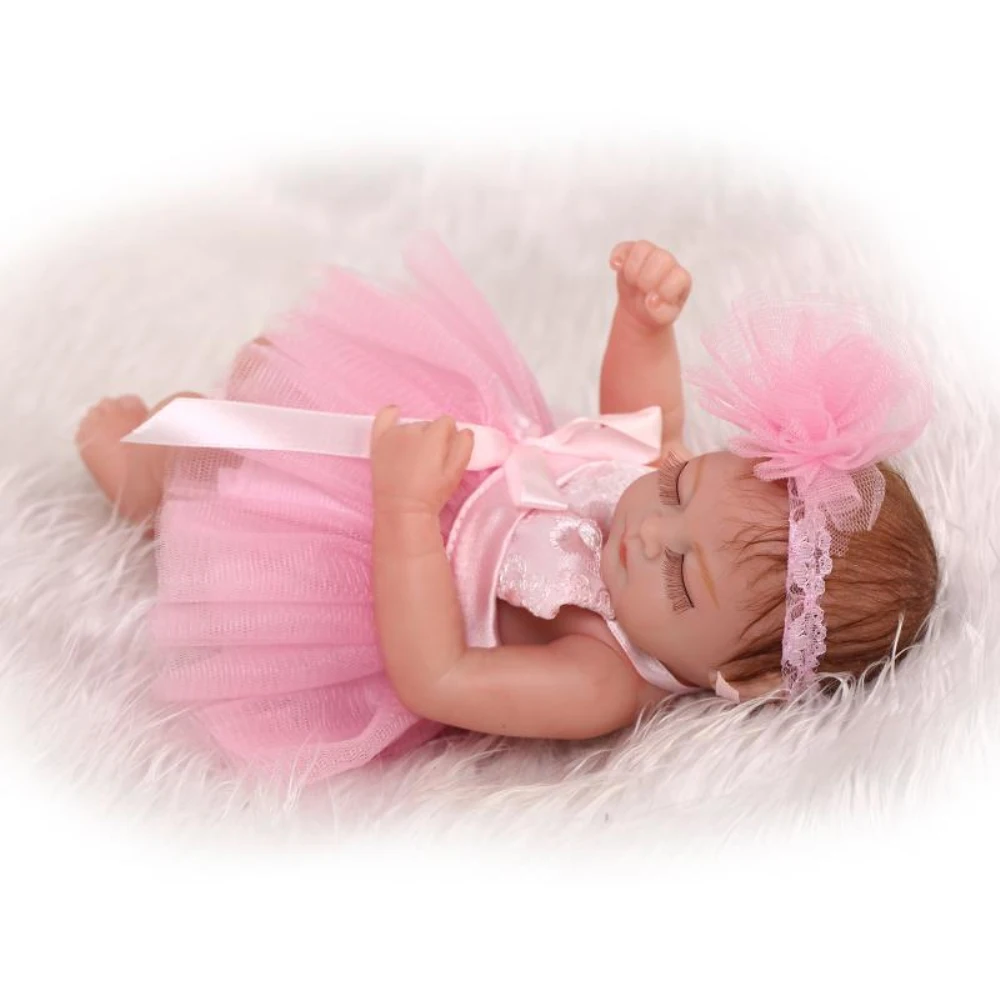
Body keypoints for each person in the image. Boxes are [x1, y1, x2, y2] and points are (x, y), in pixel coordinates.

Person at [76, 236, 939, 783]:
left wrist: (404, 510)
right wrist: (644, 326)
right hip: (452, 464)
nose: (648, 529)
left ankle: (150, 494)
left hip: (391, 579)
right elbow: (649, 424)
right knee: (273, 399)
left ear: (738, 681)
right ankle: (192, 437)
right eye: (680, 489)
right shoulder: (660, 498)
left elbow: (438, 677)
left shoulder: (599, 682)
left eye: (683, 575)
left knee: (224, 511)